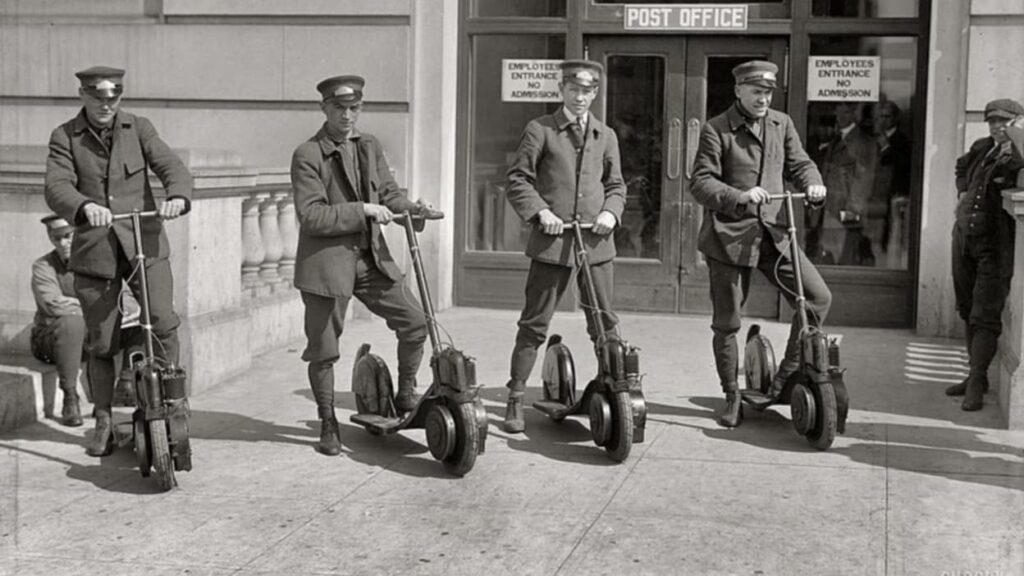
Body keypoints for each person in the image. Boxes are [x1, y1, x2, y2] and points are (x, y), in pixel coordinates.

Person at [44, 66, 192, 456]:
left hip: (144, 240)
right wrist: (84, 206)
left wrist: (176, 195)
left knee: (162, 320)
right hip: (97, 249)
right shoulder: (65, 136)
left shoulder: (138, 128)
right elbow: (56, 186)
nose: (106, 104)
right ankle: (104, 419)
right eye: (98, 97)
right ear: (83, 95)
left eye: (113, 97)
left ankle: (173, 402)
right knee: (102, 342)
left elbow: (171, 166)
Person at [290, 74, 430, 456]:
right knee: (324, 350)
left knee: (416, 321)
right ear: (324, 108)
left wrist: (413, 209)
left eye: (354, 108)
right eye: (339, 108)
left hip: (371, 261)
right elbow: (312, 216)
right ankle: (328, 423)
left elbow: (388, 192)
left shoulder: (369, 146)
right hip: (326, 266)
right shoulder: (308, 154)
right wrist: (363, 210)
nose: (348, 115)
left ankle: (404, 393)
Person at [690, 60, 832, 428]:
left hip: (774, 233)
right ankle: (732, 395)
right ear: (738, 91)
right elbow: (700, 183)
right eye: (756, 92)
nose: (763, 99)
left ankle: (783, 379)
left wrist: (813, 183)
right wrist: (739, 195)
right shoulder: (716, 130)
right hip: (729, 238)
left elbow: (800, 163)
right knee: (728, 322)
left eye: (768, 92)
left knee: (815, 298)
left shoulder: (781, 123)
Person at [502, 59, 626, 433]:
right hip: (553, 244)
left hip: (596, 242)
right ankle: (515, 398)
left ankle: (613, 392)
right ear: (562, 90)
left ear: (595, 93)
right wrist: (540, 212)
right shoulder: (540, 130)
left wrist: (611, 213)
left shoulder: (605, 135)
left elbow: (617, 185)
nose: (581, 97)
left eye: (588, 90)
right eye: (574, 89)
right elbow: (517, 180)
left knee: (604, 323)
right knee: (534, 324)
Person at [947, 98, 1024, 411]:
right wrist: (963, 190)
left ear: (1017, 121)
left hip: (996, 243)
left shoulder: (1018, 153)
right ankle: (973, 373)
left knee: (985, 312)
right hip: (965, 239)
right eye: (992, 121)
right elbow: (961, 166)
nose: (996, 127)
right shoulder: (982, 147)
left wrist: (1016, 137)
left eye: (1003, 121)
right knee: (966, 307)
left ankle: (978, 380)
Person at [30, 215, 86, 427]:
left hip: (86, 338)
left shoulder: (95, 263)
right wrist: (91, 308)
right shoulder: (43, 266)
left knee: (142, 319)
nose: (63, 243)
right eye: (57, 238)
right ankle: (70, 397)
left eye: (68, 236)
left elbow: (123, 301)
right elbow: (53, 304)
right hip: (49, 340)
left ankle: (126, 384)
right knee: (71, 323)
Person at [811, 102, 879, 266]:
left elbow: (864, 177)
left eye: (845, 113)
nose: (840, 117)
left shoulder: (862, 142)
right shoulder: (837, 138)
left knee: (844, 254)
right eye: (838, 113)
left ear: (854, 114)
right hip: (830, 205)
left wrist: (853, 209)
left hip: (843, 207)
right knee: (828, 252)